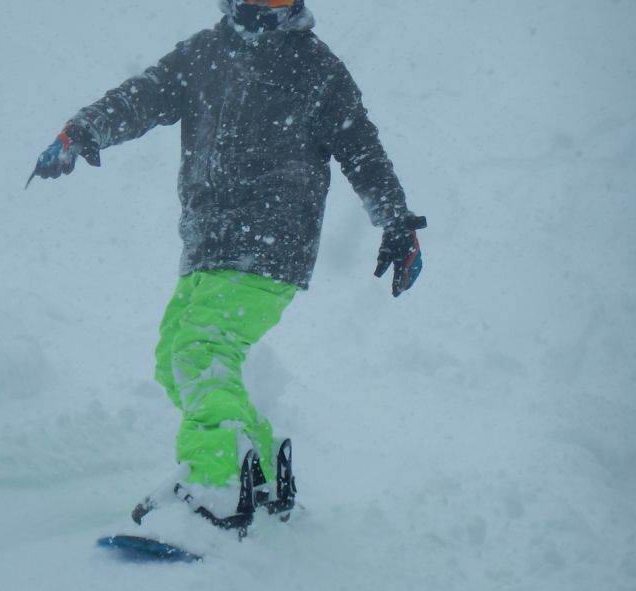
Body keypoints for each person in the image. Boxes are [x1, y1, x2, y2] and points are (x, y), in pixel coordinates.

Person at [28, 0, 425, 532]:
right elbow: (141, 96)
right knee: (176, 360)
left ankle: (215, 489)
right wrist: (83, 130)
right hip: (206, 244)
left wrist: (397, 221)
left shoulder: (313, 65)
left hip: (270, 241)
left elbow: (362, 148)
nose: (271, 5)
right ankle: (256, 472)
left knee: (201, 351)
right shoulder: (203, 53)